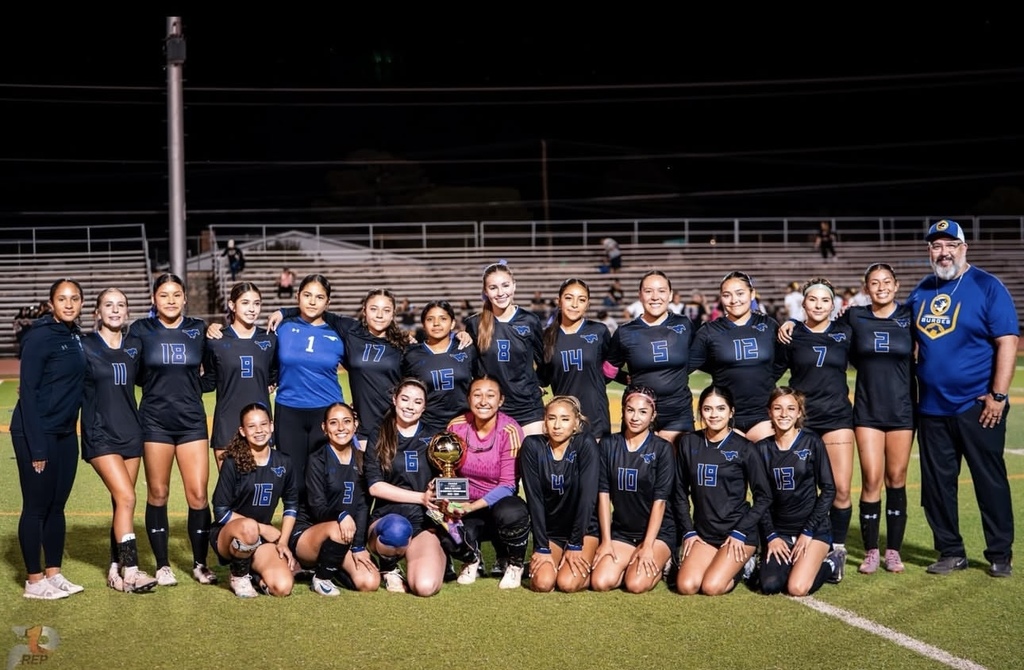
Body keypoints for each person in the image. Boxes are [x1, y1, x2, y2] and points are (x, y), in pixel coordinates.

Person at [907, 219, 1018, 578]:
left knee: (990, 481)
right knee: (937, 487)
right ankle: (951, 551)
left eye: (950, 245)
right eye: (937, 246)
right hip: (931, 408)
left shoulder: (987, 286)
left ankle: (1000, 553)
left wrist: (998, 395)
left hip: (978, 406)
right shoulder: (921, 291)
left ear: (963, 248)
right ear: (929, 251)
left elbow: (1007, 342)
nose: (944, 252)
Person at [129, 273, 216, 586]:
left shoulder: (198, 329)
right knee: (158, 493)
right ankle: (163, 565)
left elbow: (213, 371)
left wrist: (194, 388)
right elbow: (133, 372)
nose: (170, 300)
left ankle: (199, 563)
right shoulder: (141, 329)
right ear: (154, 299)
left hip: (191, 421)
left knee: (197, 495)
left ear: (184, 298)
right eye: (163, 295)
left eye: (176, 294)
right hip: (155, 422)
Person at [773, 277, 855, 577]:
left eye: (824, 301)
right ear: (803, 303)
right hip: (801, 421)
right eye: (812, 300)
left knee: (841, 488)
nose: (818, 305)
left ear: (832, 305)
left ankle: (838, 549)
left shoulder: (846, 333)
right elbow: (772, 373)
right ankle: (793, 538)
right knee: (795, 487)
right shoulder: (791, 335)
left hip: (836, 418)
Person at [12, 279, 86, 600]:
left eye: (74, 299)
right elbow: (27, 392)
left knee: (57, 507)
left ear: (81, 303)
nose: (69, 305)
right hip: (36, 433)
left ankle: (53, 574)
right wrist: (37, 445)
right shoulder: (39, 337)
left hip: (67, 434)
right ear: (51, 303)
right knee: (36, 507)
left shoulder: (76, 336)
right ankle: (33, 580)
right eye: (62, 299)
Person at [81, 288, 158, 593]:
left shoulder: (135, 346)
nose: (115, 310)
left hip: (131, 433)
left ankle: (115, 569)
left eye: (121, 305)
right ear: (96, 313)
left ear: (127, 312)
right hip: (99, 434)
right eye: (108, 305)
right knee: (127, 498)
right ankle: (132, 569)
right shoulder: (84, 346)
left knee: (121, 503)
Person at [844, 264, 915, 574]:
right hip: (867, 410)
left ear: (896, 286)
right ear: (866, 288)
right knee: (872, 479)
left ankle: (894, 551)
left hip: (902, 410)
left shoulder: (910, 316)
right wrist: (790, 324)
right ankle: (872, 550)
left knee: (896, 479)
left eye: (887, 282)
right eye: (874, 283)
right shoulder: (855, 316)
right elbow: (821, 327)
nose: (881, 287)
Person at [674, 386, 772, 596]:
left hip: (737, 533)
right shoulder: (689, 442)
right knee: (686, 586)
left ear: (731, 412)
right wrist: (688, 531)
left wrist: (740, 531)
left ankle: (746, 564)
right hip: (704, 534)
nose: (714, 414)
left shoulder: (745, 448)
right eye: (708, 409)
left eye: (720, 408)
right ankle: (719, 560)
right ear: (700, 411)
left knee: (712, 587)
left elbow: (763, 497)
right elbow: (680, 491)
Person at [262, 274, 345, 497]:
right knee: (293, 481)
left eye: (319, 297)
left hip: (326, 412)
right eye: (307, 295)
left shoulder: (339, 332)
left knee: (325, 479)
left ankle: (325, 529)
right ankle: (297, 529)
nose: (312, 301)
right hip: (289, 411)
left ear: (328, 303)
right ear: (297, 296)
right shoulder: (283, 327)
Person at [445, 376, 530, 589]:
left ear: (501, 401)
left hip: (496, 506)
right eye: (477, 394)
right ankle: (472, 558)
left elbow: (508, 484)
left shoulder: (510, 430)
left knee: (512, 512)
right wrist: (450, 503)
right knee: (442, 526)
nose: (483, 401)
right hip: (467, 506)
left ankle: (514, 563)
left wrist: (472, 506)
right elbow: (449, 472)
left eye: (490, 395)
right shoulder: (456, 426)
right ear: (468, 398)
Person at [363, 378, 446, 596]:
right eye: (405, 399)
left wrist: (438, 485)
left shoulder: (435, 435)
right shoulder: (379, 434)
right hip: (387, 520)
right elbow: (375, 487)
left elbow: (445, 477)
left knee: (425, 587)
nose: (410, 406)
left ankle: (437, 553)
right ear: (394, 400)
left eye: (417, 402)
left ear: (424, 407)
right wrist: (421, 497)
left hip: (423, 523)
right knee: (397, 530)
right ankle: (389, 566)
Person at [756, 387, 842, 594]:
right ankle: (793, 562)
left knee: (797, 587)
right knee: (769, 586)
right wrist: (771, 536)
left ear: (799, 413)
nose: (784, 414)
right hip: (780, 533)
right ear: (769, 412)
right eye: (778, 408)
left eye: (790, 408)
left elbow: (829, 489)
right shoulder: (761, 449)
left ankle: (833, 563)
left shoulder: (811, 442)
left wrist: (808, 531)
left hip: (812, 531)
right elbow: (761, 498)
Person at [590, 385, 676, 594]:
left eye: (643, 412)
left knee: (636, 584)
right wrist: (607, 541)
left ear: (653, 415)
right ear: (623, 410)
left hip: (657, 534)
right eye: (630, 410)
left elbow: (660, 501)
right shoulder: (609, 444)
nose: (635, 417)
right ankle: (629, 562)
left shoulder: (662, 448)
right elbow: (603, 494)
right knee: (601, 582)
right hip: (623, 532)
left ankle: (666, 560)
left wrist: (648, 546)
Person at [291, 403, 380, 595]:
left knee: (369, 582)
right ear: (324, 428)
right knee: (337, 529)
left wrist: (358, 546)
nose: (341, 428)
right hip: (310, 534)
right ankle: (321, 577)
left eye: (346, 421)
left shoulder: (364, 459)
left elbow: (364, 506)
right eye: (333, 422)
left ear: (355, 425)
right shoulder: (317, 460)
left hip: (344, 535)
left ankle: (334, 567)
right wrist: (341, 515)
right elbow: (317, 507)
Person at [211, 403, 298, 597]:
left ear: (272, 426)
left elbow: (291, 505)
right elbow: (220, 511)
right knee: (249, 528)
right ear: (242, 431)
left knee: (282, 587)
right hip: (228, 534)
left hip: (259, 539)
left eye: (263, 424)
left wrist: (283, 542)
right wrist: (262, 528)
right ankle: (238, 575)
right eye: (251, 426)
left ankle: (253, 574)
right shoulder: (233, 462)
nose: (259, 430)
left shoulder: (284, 462)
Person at [520, 396, 600, 593]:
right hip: (551, 532)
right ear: (544, 421)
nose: (557, 425)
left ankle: (595, 569)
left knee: (567, 583)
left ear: (576, 424)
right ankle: (556, 561)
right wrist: (541, 547)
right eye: (551, 418)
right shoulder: (532, 446)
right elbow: (534, 499)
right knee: (543, 583)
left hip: (583, 531)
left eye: (565, 419)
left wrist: (575, 544)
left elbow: (587, 498)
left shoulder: (585, 444)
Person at [607, 270, 697, 445]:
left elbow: (701, 357)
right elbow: (608, 369)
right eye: (648, 291)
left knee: (679, 468)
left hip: (678, 411)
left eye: (662, 291)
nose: (655, 297)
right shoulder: (625, 332)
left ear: (670, 295)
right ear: (640, 296)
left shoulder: (684, 325)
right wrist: (623, 378)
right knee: (640, 468)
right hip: (638, 412)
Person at [688, 271, 780, 443]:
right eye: (727, 295)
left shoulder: (768, 325)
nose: (734, 300)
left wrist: (763, 376)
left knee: (764, 469)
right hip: (724, 417)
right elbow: (688, 364)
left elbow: (782, 361)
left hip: (764, 414)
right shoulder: (709, 331)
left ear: (752, 294)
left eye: (740, 293)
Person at [465, 263, 545, 436]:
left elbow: (543, 360)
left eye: (505, 285)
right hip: (491, 407)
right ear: (485, 292)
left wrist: (538, 386)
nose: (500, 293)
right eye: (493, 288)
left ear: (514, 285)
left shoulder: (530, 320)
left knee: (532, 459)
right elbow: (470, 367)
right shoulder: (474, 324)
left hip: (527, 406)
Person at [202, 282, 278, 465]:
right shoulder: (215, 340)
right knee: (230, 491)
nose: (252, 309)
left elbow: (274, 374)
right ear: (231, 305)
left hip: (260, 425)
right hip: (227, 423)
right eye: (245, 303)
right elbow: (209, 380)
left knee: (260, 488)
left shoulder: (270, 339)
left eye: (257, 303)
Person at [539, 278, 614, 441]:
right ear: (558, 301)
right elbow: (542, 379)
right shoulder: (546, 337)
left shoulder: (599, 331)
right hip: (563, 423)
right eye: (568, 298)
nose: (575, 304)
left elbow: (609, 370)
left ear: (588, 304)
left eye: (581, 300)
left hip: (596, 420)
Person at [402, 300, 479, 436]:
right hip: (427, 426)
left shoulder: (466, 348)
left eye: (443, 319)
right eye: (430, 319)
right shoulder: (411, 354)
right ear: (423, 325)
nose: (436, 324)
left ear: (453, 323)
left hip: (465, 424)